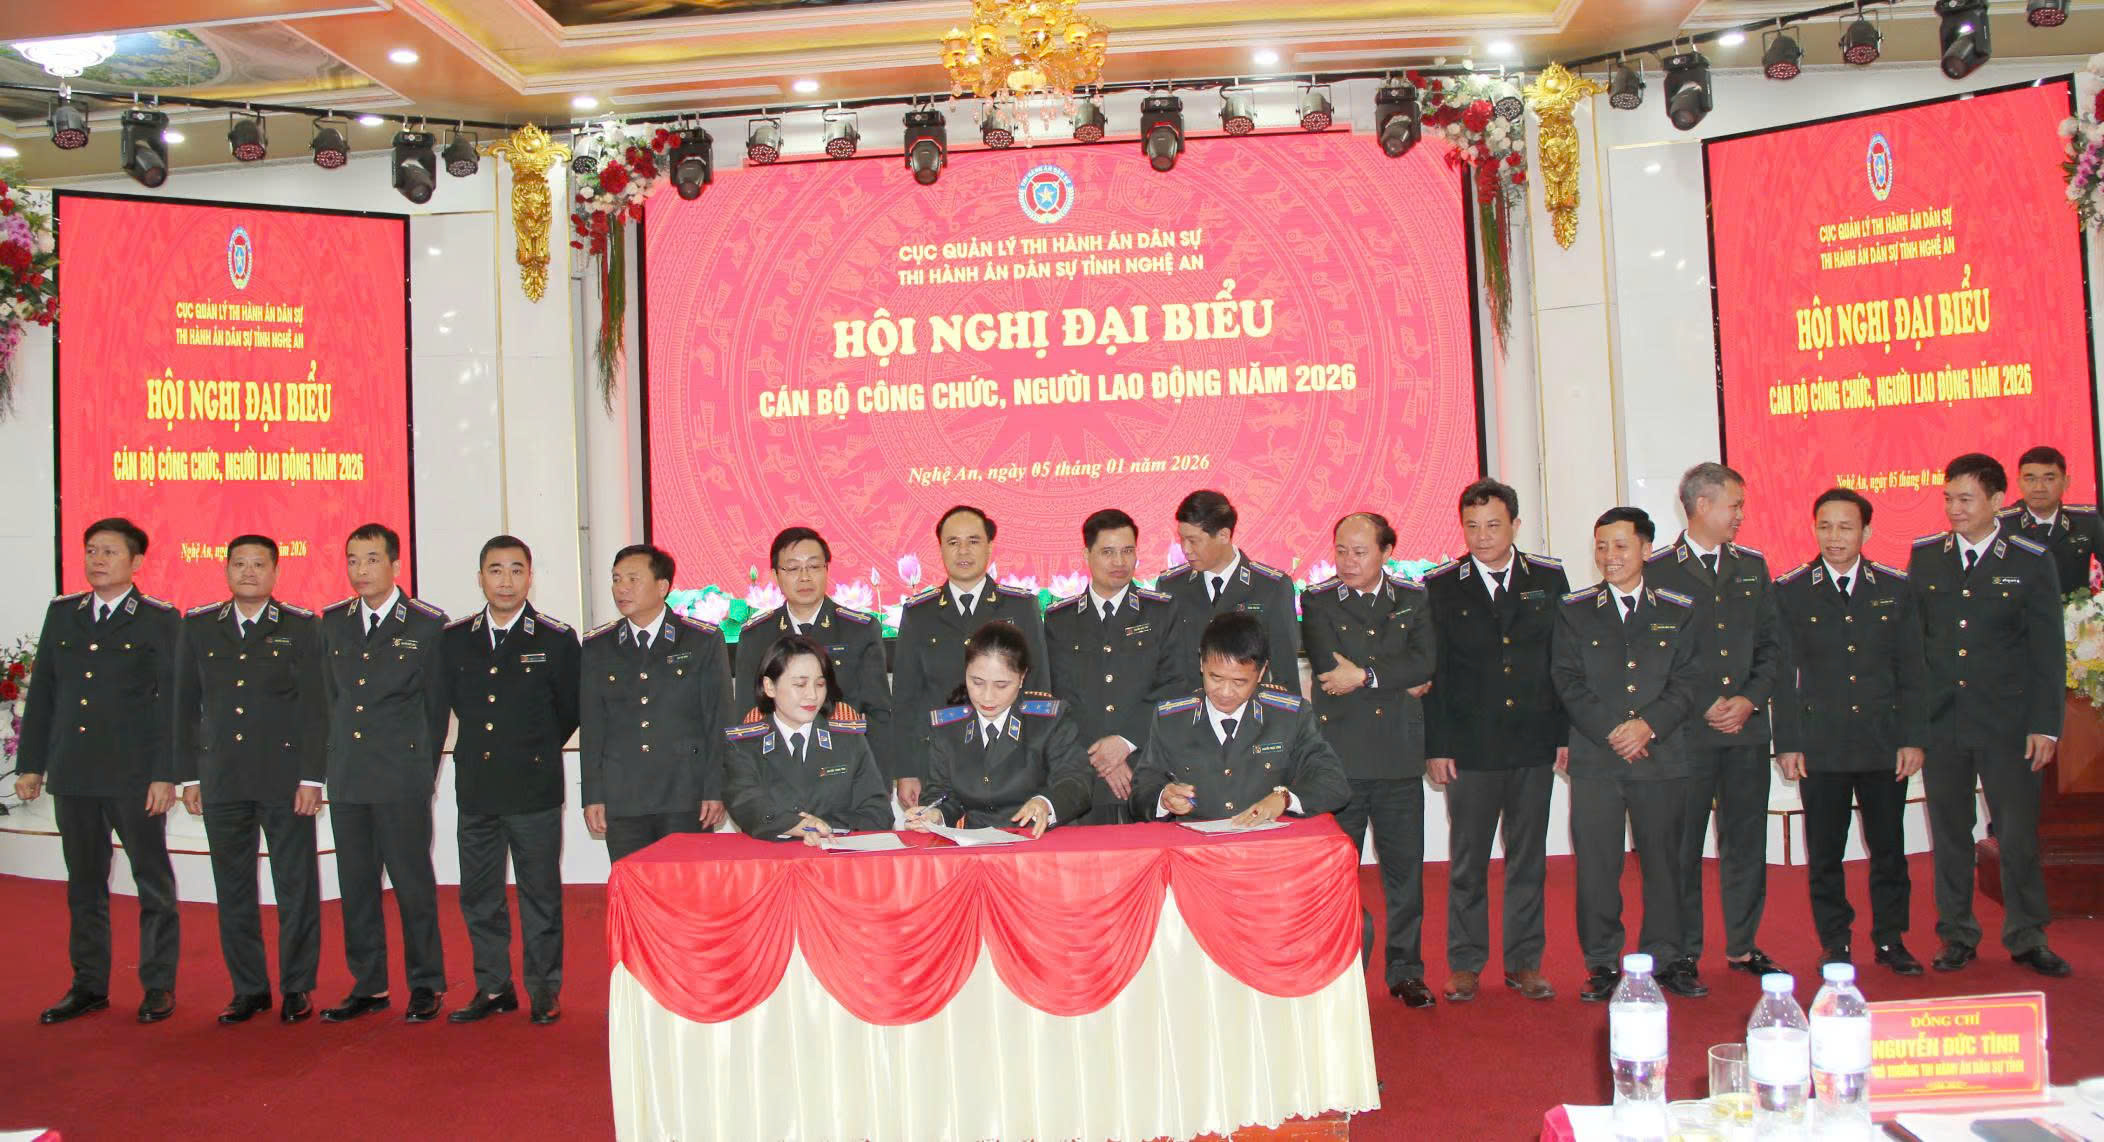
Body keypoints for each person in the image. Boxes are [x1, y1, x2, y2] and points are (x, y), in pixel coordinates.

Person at [16, 517, 182, 1025]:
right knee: (83, 883)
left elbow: (173, 703)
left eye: (109, 551)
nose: (97, 560)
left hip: (134, 776)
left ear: (136, 562)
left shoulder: (158, 618)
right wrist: (31, 764)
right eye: (91, 550)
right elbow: (44, 692)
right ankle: (88, 985)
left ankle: (158, 985)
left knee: (152, 880)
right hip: (75, 772)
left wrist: (165, 774)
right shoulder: (63, 613)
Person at [1909, 453, 2070, 977]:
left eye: (1966, 498)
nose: (1954, 508)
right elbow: (1915, 644)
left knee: (2017, 835)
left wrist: (2045, 725)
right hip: (1944, 722)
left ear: (1997, 501)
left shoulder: (2030, 559)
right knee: (1950, 834)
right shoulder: (1927, 557)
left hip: (2009, 724)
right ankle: (1957, 934)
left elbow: (2047, 650)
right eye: (1949, 498)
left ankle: (2028, 936)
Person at [1423, 479, 1569, 1004]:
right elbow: (1435, 674)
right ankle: (1465, 964)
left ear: (1515, 525)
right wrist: (1436, 746)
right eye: (1472, 526)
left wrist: (1564, 735)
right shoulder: (1442, 586)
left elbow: (1563, 662)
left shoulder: (1548, 579)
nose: (1482, 536)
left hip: (1533, 742)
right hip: (1471, 747)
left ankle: (1525, 963)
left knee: (1529, 858)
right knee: (1468, 861)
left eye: (1493, 525)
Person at [1644, 462, 1787, 993]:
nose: (1740, 515)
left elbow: (1772, 646)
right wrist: (1703, 702)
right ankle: (1681, 953)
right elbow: (1653, 656)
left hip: (1745, 730)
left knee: (1745, 841)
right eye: (1735, 505)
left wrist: (1749, 699)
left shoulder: (1752, 566)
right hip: (1686, 734)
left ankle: (1743, 944)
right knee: (1681, 847)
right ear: (1702, 505)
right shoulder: (1658, 571)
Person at [1551, 507, 1704, 1003]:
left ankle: (1667, 958)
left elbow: (1688, 680)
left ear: (1645, 549)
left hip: (1661, 756)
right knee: (1598, 866)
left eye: (1620, 546)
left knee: (1665, 864)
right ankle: (1601, 962)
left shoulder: (1678, 609)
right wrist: (1612, 730)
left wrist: (1648, 726)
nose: (1609, 556)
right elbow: (1567, 680)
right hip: (1598, 760)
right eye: (1601, 546)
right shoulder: (1574, 610)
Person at [172, 535, 326, 1025]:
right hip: (222, 779)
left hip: (285, 780)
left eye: (259, 564)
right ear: (226, 570)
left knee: (295, 887)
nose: (249, 572)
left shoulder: (301, 627)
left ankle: (297, 987)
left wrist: (312, 778)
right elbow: (183, 706)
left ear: (276, 572)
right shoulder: (199, 626)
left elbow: (316, 708)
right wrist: (188, 777)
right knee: (233, 888)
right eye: (239, 563)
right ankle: (249, 988)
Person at [1772, 490, 1927, 976]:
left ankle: (1890, 939)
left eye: (1845, 527)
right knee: (1825, 854)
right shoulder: (1792, 590)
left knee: (1889, 850)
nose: (1834, 537)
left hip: (1883, 741)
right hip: (1821, 744)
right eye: (1825, 526)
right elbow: (1783, 676)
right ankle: (1835, 941)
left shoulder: (1896, 588)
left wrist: (1913, 737)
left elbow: (1913, 669)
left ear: (1866, 532)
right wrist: (1788, 743)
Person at [440, 536, 580, 1025]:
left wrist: (532, 748)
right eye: (495, 570)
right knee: (479, 896)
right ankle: (493, 986)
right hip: (477, 787)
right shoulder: (455, 639)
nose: (506, 581)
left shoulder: (556, 639)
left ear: (530, 577)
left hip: (533, 788)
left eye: (516, 570)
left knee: (539, 894)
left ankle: (543, 990)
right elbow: (450, 704)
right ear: (480, 577)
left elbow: (570, 710)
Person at [1300, 512, 1438, 1007]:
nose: (1347, 561)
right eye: (1340, 550)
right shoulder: (1317, 600)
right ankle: (1339, 969)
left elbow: (1425, 662)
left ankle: (1406, 971)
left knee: (1405, 875)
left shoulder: (1413, 599)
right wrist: (1397, 678)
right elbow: (1327, 669)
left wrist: (1365, 676)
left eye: (1359, 552)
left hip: (1398, 757)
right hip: (1341, 761)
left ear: (1386, 552)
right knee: (1337, 875)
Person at [317, 522, 451, 1024]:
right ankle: (369, 985)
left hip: (401, 777)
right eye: (353, 560)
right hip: (348, 776)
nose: (361, 570)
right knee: (356, 886)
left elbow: (435, 710)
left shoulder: (426, 625)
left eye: (372, 559)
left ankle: (426, 983)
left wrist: (421, 773)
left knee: (412, 884)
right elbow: (329, 701)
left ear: (395, 565)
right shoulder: (333, 622)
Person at [580, 543, 733, 862]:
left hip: (685, 795)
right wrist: (593, 795)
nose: (621, 588)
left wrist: (715, 789)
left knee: (686, 885)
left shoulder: (702, 640)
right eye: (616, 579)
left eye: (632, 579)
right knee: (632, 885)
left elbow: (719, 721)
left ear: (662, 587)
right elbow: (593, 727)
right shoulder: (598, 646)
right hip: (623, 797)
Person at [1042, 509, 1197, 824]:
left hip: (1149, 770)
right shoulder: (1060, 619)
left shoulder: (1162, 611)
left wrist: (1124, 743)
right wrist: (1103, 757)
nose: (1119, 561)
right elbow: (1058, 696)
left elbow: (1176, 686)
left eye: (1127, 551)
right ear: (1087, 555)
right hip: (1084, 775)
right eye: (1108, 552)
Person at [890, 505, 1047, 809]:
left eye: (973, 541)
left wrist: (1037, 760)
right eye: (953, 542)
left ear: (989, 546)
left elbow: (1038, 688)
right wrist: (907, 770)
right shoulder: (919, 613)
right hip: (939, 763)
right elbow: (906, 699)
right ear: (940, 549)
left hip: (1010, 760)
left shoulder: (1020, 607)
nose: (963, 551)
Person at [1129, 611, 1349, 824]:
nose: (1225, 692)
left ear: (1261, 672)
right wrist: (1163, 798)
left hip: (1267, 844)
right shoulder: (1171, 719)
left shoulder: (1289, 717)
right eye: (1216, 678)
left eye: (1239, 682)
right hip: (1196, 846)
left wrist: (1284, 798)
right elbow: (1140, 795)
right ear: (1201, 663)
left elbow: (1334, 784)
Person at [732, 527, 892, 784]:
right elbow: (747, 718)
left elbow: (878, 714)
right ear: (775, 575)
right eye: (793, 568)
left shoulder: (860, 631)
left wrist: (878, 786)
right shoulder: (756, 636)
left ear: (827, 570)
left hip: (844, 775)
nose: (804, 577)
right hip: (777, 777)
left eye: (814, 567)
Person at [907, 622, 1091, 835]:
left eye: (1001, 685)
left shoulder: (1048, 721)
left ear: (1022, 678)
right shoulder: (949, 727)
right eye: (977, 682)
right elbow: (942, 795)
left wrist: (1046, 803)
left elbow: (1076, 781)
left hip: (1039, 839)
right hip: (977, 845)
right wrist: (935, 815)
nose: (987, 697)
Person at [723, 635, 892, 843]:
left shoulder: (848, 741)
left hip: (834, 855)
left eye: (820, 684)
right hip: (772, 858)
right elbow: (746, 805)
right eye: (800, 684)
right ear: (770, 686)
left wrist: (823, 827)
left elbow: (878, 813)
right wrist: (794, 825)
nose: (812, 695)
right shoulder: (744, 746)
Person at [1158, 490, 1302, 688]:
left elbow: (1285, 674)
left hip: (1250, 706)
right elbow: (1163, 668)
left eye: (1193, 541)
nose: (1186, 549)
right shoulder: (1171, 586)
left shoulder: (1271, 587)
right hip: (1189, 705)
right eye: (1181, 539)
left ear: (1223, 535)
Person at [2000, 445, 2104, 594]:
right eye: (2030, 479)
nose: (2039, 488)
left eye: (2049, 479)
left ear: (2066, 482)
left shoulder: (2087, 521)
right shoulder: (2001, 524)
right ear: (2019, 483)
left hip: (2071, 608)